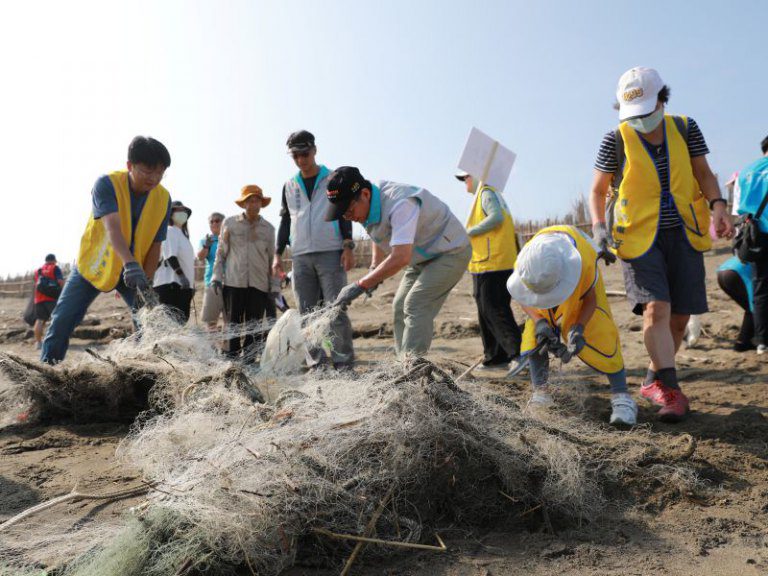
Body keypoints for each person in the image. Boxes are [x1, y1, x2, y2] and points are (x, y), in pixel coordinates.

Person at [588, 67, 733, 422]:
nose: (641, 121)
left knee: (680, 317)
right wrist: (598, 228)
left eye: (647, 112)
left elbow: (704, 173)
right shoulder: (615, 139)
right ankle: (671, 391)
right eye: (632, 115)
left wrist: (719, 207)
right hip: (637, 238)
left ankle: (653, 378)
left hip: (684, 232)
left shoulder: (685, 128)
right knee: (657, 309)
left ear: (662, 101)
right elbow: (596, 189)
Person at [41, 136, 172, 364]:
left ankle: (144, 374)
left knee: (149, 322)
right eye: (147, 171)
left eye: (160, 173)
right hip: (93, 266)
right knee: (62, 320)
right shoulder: (106, 184)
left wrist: (147, 283)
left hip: (134, 274)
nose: (154, 178)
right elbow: (112, 228)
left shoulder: (163, 198)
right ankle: (46, 370)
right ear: (130, 166)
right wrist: (129, 263)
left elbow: (155, 244)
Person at [326, 166, 471, 358]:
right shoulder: (367, 207)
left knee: (415, 304)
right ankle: (402, 363)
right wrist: (375, 268)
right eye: (344, 214)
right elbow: (377, 230)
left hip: (450, 251)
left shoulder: (400, 203)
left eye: (350, 210)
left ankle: (411, 370)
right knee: (399, 306)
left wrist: (361, 284)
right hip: (420, 258)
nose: (348, 217)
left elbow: (400, 256)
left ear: (366, 194)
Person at [507, 226, 638, 427]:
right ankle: (541, 392)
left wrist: (578, 328)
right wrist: (540, 322)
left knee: (600, 330)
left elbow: (590, 300)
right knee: (535, 336)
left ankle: (622, 397)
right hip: (545, 282)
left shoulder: (583, 260)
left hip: (583, 285)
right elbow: (522, 296)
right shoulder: (527, 263)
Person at [272, 130, 355, 368]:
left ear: (314, 150)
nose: (301, 160)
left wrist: (348, 244)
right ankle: (315, 365)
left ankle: (343, 364)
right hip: (300, 257)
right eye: (295, 156)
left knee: (335, 309)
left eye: (305, 153)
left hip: (330, 252)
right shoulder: (289, 185)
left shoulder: (333, 178)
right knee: (307, 313)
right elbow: (286, 220)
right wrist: (278, 253)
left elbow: (344, 212)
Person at [455, 171, 522, 371]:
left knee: (494, 308)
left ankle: (518, 354)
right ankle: (495, 357)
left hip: (493, 262)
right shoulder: (488, 194)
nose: (464, 183)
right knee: (485, 309)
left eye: (465, 178)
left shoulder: (487, 193)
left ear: (476, 176)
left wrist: (469, 231)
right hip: (486, 263)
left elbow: (496, 218)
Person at [211, 186, 275, 362]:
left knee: (253, 327)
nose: (253, 204)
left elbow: (271, 260)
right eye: (249, 200)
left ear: (262, 203)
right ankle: (231, 362)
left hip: (259, 285)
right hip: (233, 283)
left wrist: (274, 286)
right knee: (232, 325)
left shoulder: (268, 229)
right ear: (243, 203)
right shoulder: (230, 223)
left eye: (256, 200)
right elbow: (221, 252)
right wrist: (216, 276)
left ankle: (249, 362)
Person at [733, 135, 768, 354]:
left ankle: (762, 340)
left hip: (755, 236)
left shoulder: (746, 172)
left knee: (761, 287)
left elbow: (738, 210)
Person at [154, 201, 196, 323]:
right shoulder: (170, 230)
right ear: (170, 214)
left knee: (179, 324)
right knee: (170, 325)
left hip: (182, 287)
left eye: (184, 211)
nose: (182, 213)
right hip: (171, 286)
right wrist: (182, 276)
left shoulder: (183, 236)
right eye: (178, 211)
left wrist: (191, 285)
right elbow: (170, 257)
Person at [717, 256, 755, 352]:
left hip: (723, 270)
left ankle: (743, 343)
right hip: (738, 274)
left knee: (752, 308)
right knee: (756, 307)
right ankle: (744, 343)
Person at [197, 212, 225, 330]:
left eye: (217, 220)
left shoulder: (230, 238)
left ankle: (227, 347)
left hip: (231, 283)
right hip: (212, 283)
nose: (214, 223)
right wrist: (206, 246)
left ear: (224, 222)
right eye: (211, 221)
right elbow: (200, 257)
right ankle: (213, 347)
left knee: (230, 321)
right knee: (211, 322)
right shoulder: (205, 240)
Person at [32, 254, 65, 349]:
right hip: (52, 299)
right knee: (56, 319)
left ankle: (38, 343)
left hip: (38, 299)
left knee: (39, 320)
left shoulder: (38, 270)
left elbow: (36, 284)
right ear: (54, 260)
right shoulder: (55, 268)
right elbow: (60, 282)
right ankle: (55, 342)